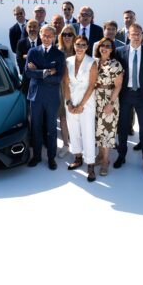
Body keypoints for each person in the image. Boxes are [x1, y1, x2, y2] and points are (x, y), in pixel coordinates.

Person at [113, 24, 143, 175]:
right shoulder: (120, 52)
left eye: (139, 34)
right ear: (128, 36)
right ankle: (121, 156)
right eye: (134, 34)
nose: (137, 36)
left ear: (142, 35)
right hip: (125, 94)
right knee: (123, 128)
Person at [25, 25, 66, 170]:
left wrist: (38, 72)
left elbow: (59, 78)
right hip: (36, 96)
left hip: (51, 97)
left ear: (54, 37)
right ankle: (36, 156)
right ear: (40, 35)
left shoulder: (59, 55)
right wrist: (48, 72)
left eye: (50, 36)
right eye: (44, 35)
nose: (47, 38)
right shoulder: (32, 51)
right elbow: (28, 73)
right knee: (35, 127)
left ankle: (51, 158)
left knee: (51, 129)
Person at [63, 35, 98, 181]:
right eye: (78, 45)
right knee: (74, 130)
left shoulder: (92, 62)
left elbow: (91, 85)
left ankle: (90, 164)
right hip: (71, 100)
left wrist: (81, 105)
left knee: (88, 131)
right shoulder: (68, 61)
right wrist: (69, 103)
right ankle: (78, 157)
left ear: (87, 47)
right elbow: (65, 83)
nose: (80, 48)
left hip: (87, 102)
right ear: (74, 46)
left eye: (83, 45)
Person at [93, 37, 123, 176]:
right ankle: (99, 155)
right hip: (94, 100)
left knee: (106, 131)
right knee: (97, 130)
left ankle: (106, 161)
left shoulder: (115, 64)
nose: (104, 47)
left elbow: (118, 86)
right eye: (102, 45)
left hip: (109, 100)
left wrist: (110, 104)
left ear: (111, 49)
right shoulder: (94, 62)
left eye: (107, 46)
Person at [56, 24, 78, 155]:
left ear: (74, 36)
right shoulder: (57, 51)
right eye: (64, 34)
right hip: (61, 89)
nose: (67, 37)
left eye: (70, 34)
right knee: (63, 117)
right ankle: (65, 144)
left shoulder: (79, 50)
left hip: (76, 89)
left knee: (76, 118)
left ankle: (77, 146)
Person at [16, 20, 40, 93]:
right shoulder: (21, 43)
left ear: (39, 28)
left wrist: (27, 56)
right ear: (26, 29)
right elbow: (19, 59)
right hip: (27, 80)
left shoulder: (43, 42)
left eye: (34, 26)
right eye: (30, 27)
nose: (32, 29)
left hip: (41, 80)